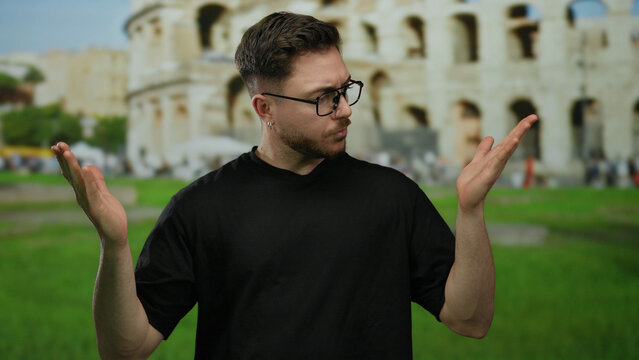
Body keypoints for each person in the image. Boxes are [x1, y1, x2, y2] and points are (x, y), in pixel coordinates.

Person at [51, 12, 538, 359]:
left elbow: (470, 320)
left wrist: (471, 212)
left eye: (345, 88)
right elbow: (126, 349)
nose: (346, 108)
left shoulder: (393, 196)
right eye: (324, 98)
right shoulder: (201, 208)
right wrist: (113, 244)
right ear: (265, 109)